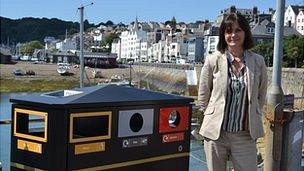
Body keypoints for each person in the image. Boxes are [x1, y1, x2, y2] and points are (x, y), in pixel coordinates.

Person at [197, 12, 268, 171]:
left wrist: (254, 112)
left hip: (244, 135)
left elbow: (260, 95)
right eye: (229, 31)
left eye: (238, 30)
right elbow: (203, 95)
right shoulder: (213, 60)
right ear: (223, 35)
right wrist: (210, 115)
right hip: (216, 133)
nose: (233, 35)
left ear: (245, 33)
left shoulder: (258, 61)